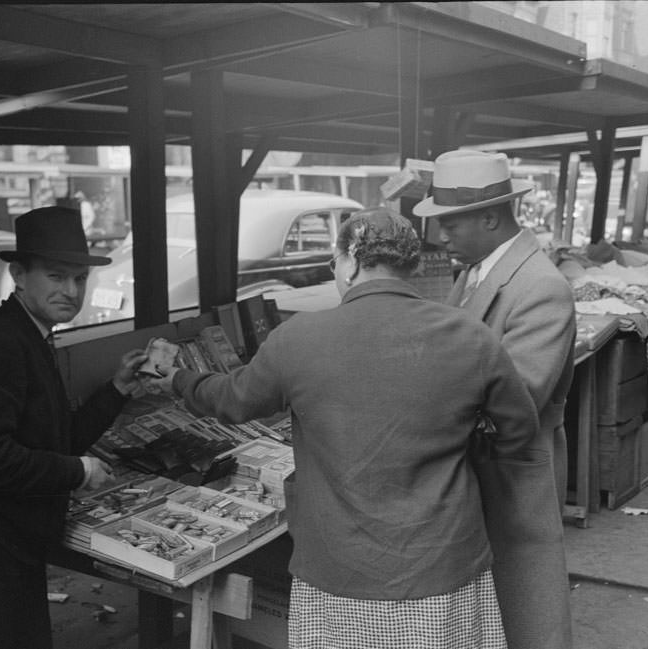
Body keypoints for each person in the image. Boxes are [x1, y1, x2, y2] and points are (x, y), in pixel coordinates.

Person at [152, 209, 539, 649]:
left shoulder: (299, 338)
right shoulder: (473, 337)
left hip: (338, 572)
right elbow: (519, 434)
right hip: (443, 565)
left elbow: (231, 399)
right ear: (409, 266)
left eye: (333, 262)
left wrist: (180, 380)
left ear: (351, 262)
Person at [0, 206, 147, 649]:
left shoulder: (31, 336)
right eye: (57, 277)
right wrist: (77, 472)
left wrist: (117, 388)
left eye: (79, 279)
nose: (71, 290)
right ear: (19, 275)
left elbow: (57, 438)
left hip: (10, 541)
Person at [413, 148, 577, 649]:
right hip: (481, 467)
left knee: (524, 600)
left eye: (451, 225)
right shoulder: (476, 270)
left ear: (490, 216)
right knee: (488, 604)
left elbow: (517, 398)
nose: (441, 237)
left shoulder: (541, 287)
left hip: (513, 472)